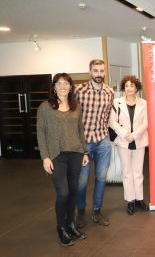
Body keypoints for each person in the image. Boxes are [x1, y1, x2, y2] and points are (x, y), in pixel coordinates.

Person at [37, 73, 89, 246]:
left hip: (76, 154)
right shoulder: (45, 107)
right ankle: (61, 228)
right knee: (63, 193)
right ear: (54, 87)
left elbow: (80, 131)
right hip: (56, 155)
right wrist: (45, 157)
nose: (62, 86)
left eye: (66, 83)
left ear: (70, 86)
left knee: (73, 192)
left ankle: (70, 224)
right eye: (59, 83)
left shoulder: (76, 106)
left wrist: (85, 152)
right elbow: (41, 133)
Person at [75, 59, 114, 227]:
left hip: (103, 141)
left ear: (105, 72)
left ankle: (97, 211)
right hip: (83, 143)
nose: (99, 74)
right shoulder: (79, 91)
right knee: (82, 181)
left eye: (101, 71)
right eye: (96, 71)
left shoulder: (109, 92)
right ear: (90, 72)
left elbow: (107, 117)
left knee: (101, 178)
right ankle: (81, 212)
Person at [109, 75, 149, 215]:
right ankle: (130, 201)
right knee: (127, 172)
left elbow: (146, 122)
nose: (129, 88)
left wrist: (135, 135)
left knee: (138, 172)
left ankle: (139, 198)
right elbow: (112, 121)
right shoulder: (116, 102)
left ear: (137, 88)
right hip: (123, 141)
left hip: (139, 140)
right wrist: (125, 133)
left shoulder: (144, 103)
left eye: (132, 85)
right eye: (126, 86)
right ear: (123, 88)